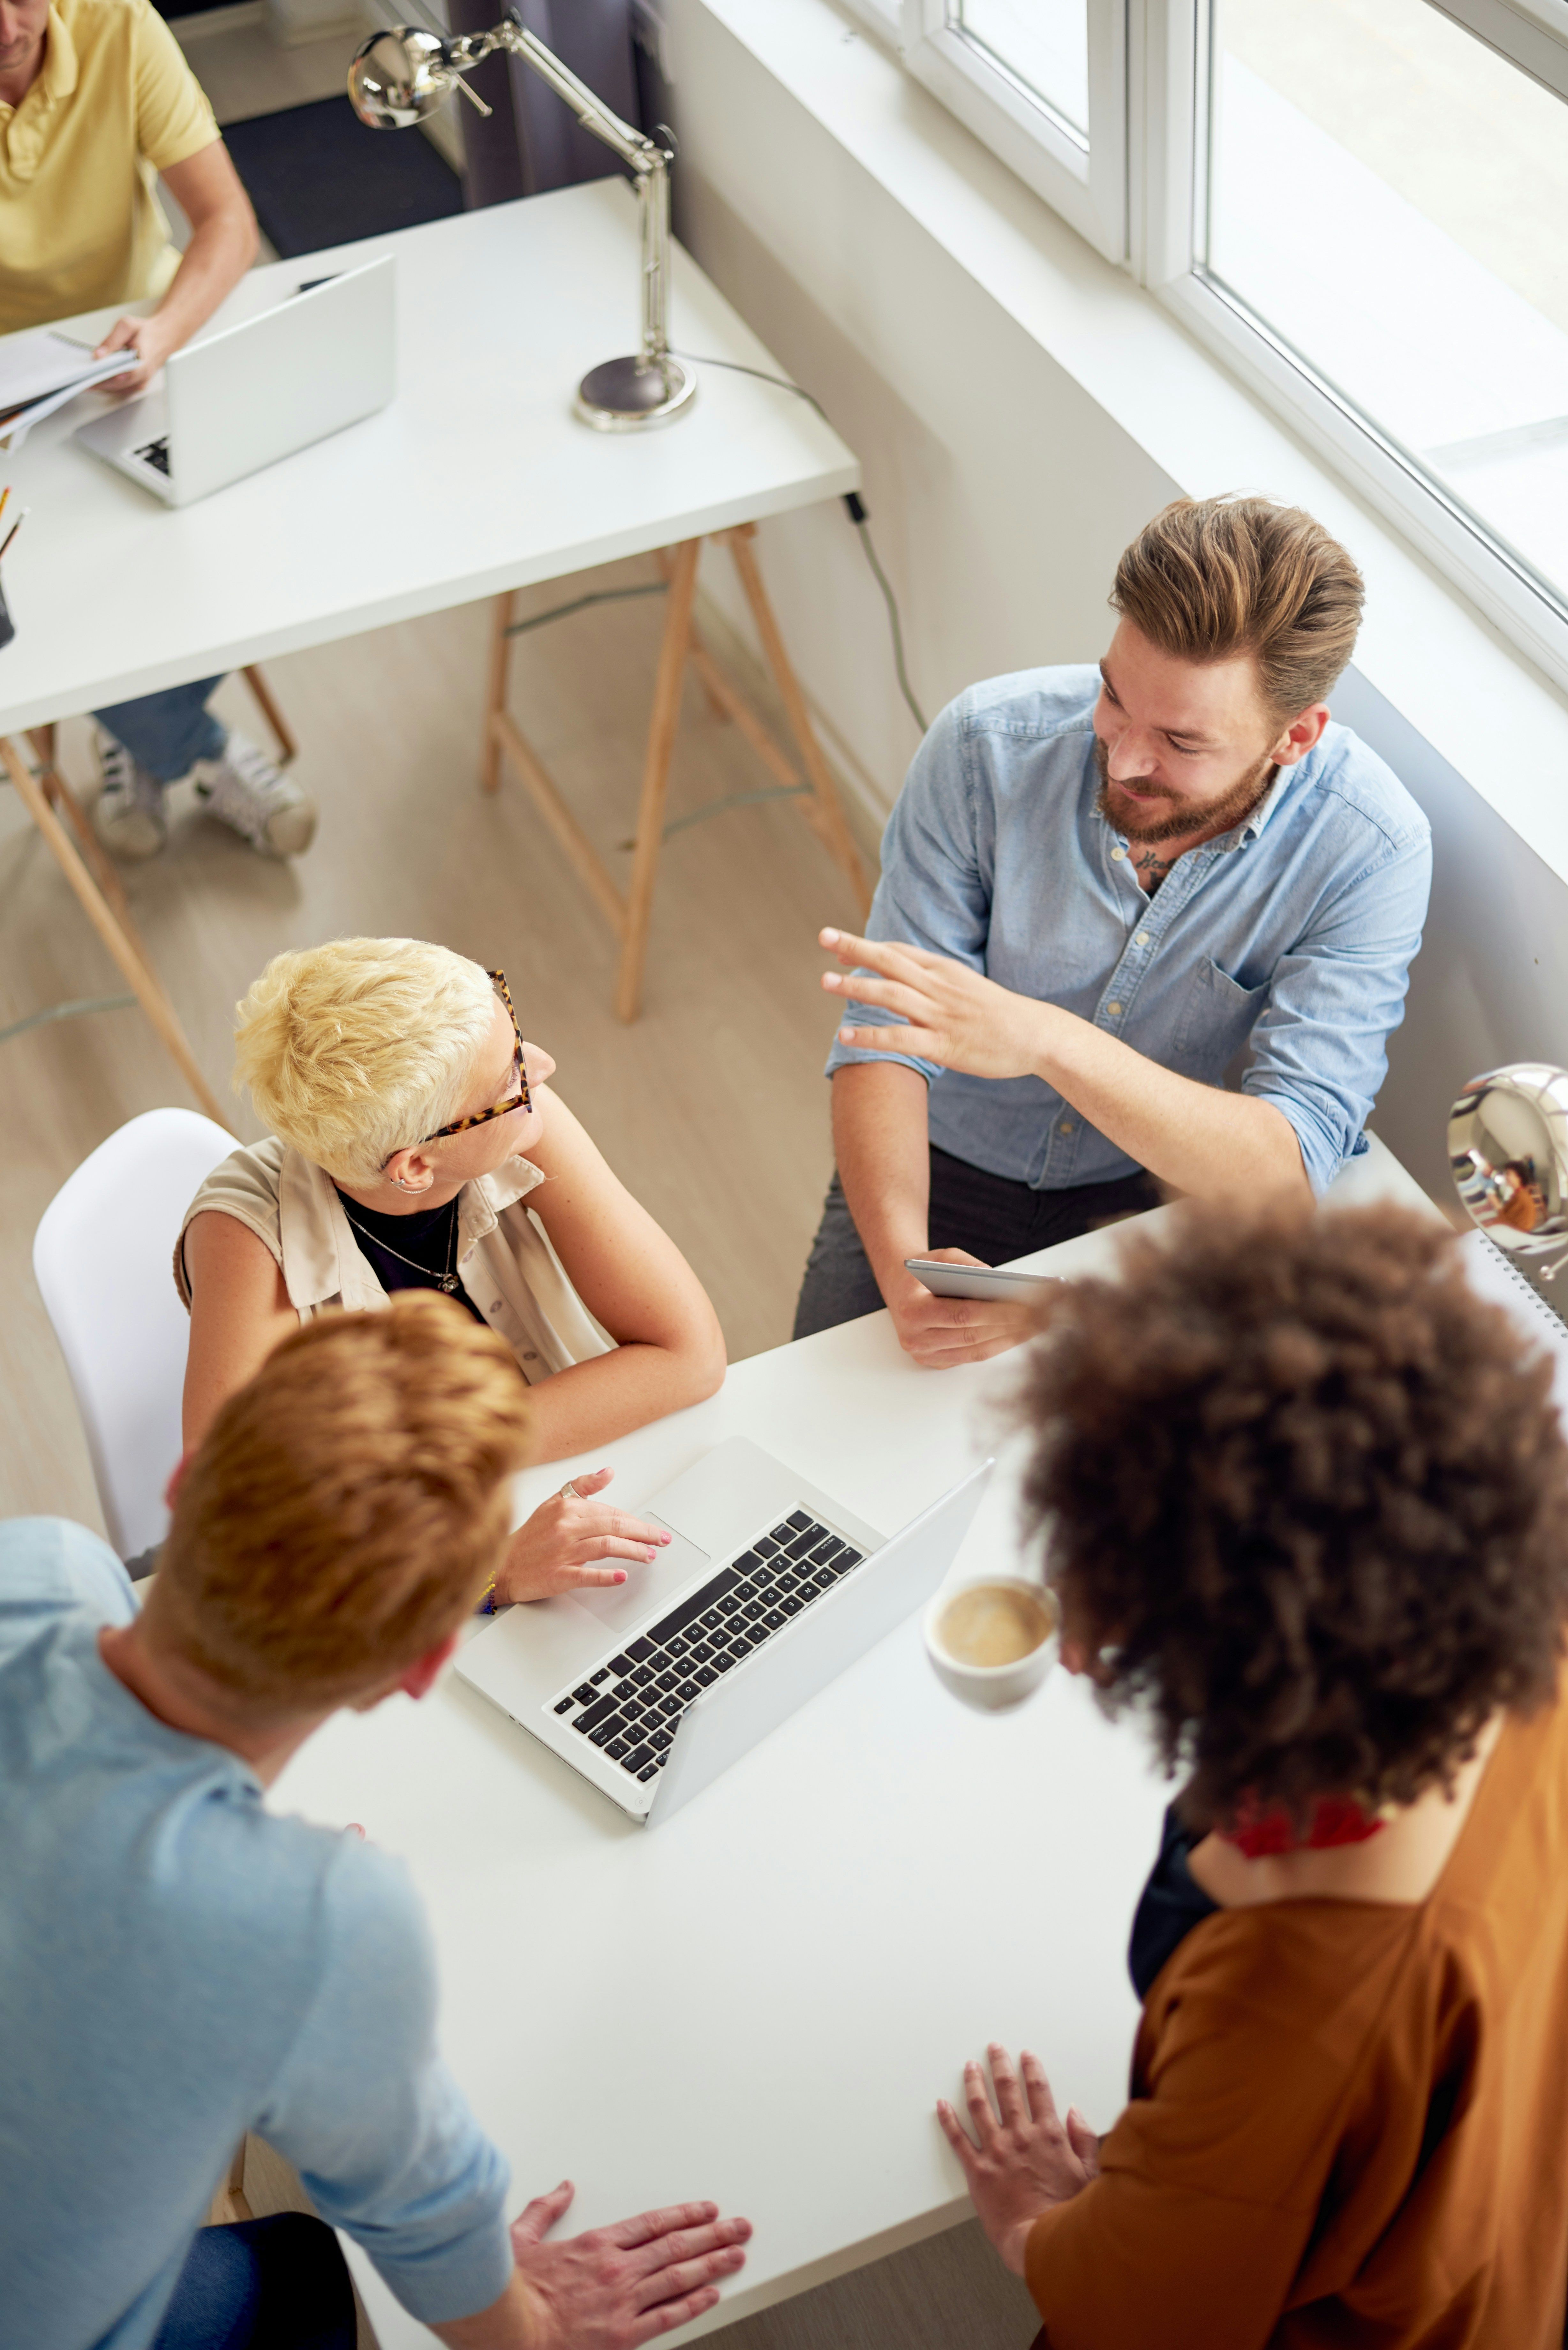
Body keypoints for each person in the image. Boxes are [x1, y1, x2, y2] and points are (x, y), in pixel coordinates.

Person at [0, 1295, 751, 2348]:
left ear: (183, 1488)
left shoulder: (37, 1569)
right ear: (424, 1661)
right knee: (310, 2275)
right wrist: (535, 2320)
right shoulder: (322, 1927)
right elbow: (475, 2312)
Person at [935, 1205, 1568, 2347]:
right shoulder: (1520, 1634)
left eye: (1114, 1602)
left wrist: (1040, 2226)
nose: (1076, 1645)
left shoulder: (1298, 2011)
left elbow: (1141, 2312)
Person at [796, 495, 1432, 1368]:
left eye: (1179, 740)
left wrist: (1043, 1039)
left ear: (1295, 737)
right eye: (1113, 695)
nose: (1124, 756)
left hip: (1152, 1196)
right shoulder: (985, 748)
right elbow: (884, 1044)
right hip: (937, 1162)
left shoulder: (1370, 847)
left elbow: (1286, 1172)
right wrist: (906, 1273)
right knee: (825, 1437)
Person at [178, 936, 727, 1603]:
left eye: (516, 1035)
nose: (543, 1067)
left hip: (575, 1496)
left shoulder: (518, 1113)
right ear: (413, 1166)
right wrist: (488, 1572)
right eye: (508, 1080)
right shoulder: (246, 1238)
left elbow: (691, 1356)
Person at [0, 0, 317, 859]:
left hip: (131, 353)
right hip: (6, 403)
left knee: (244, 535)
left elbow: (227, 221)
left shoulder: (120, 25)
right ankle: (196, 749)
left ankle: (140, 735)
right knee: (42, 591)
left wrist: (165, 330)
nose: (4, 30)